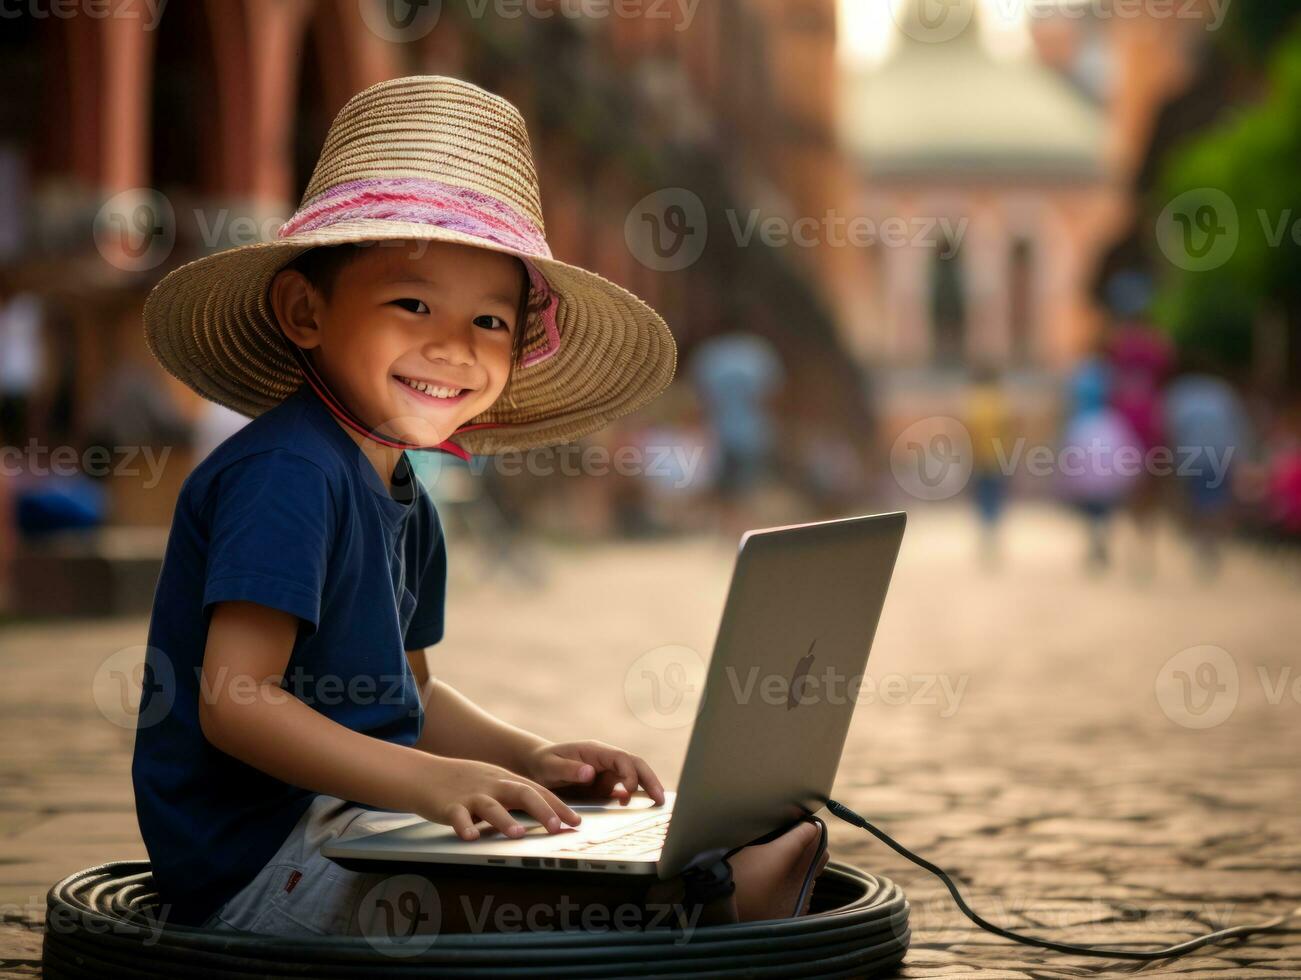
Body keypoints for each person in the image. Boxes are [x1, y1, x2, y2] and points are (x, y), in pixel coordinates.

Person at [131, 76, 822, 940]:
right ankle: (698, 906)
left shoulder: (402, 491)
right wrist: (430, 784)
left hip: (363, 826)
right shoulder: (289, 472)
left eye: (491, 322)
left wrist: (529, 755)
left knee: (539, 847)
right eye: (412, 303)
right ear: (305, 311)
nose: (453, 347)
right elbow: (235, 700)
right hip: (261, 863)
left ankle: (686, 883)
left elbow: (408, 693)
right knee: (531, 904)